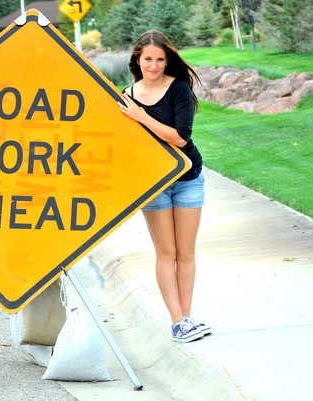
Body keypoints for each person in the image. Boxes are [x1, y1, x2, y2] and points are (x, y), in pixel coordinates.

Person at [117, 30, 211, 343]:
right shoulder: (126, 97)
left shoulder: (178, 89)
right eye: (148, 59)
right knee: (166, 252)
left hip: (188, 178)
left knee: (185, 253)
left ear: (166, 60)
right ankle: (177, 321)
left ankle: (187, 319)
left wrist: (140, 116)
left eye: (160, 59)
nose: (154, 65)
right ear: (137, 60)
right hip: (155, 184)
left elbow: (180, 138)